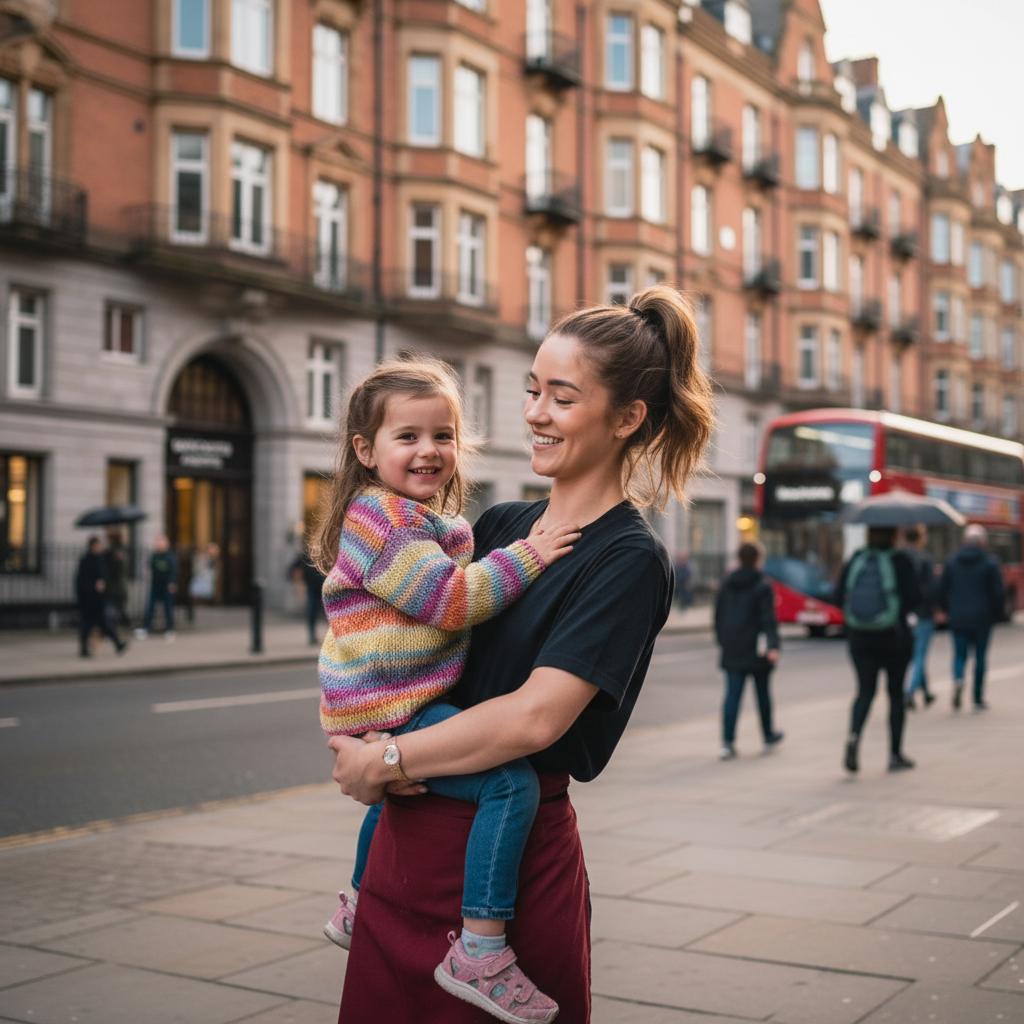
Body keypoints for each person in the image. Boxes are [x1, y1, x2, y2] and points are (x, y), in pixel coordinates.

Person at [327, 284, 714, 1023]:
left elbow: (533, 720)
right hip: (407, 850)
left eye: (562, 398)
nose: (535, 413)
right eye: (533, 391)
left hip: (505, 879)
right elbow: (399, 641)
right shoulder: (501, 523)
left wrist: (386, 761)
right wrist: (365, 732)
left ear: (628, 417)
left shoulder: (627, 560)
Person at [314, 358, 580, 1023]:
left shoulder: (417, 516)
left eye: (443, 435)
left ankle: (356, 901)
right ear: (365, 450)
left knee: (396, 794)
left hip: (383, 702)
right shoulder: (382, 519)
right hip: (390, 704)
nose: (428, 450)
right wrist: (532, 552)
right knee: (508, 783)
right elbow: (450, 600)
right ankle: (482, 948)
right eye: (407, 436)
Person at [835, 526, 921, 774]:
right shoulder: (901, 561)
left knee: (864, 692)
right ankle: (895, 754)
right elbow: (915, 598)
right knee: (895, 695)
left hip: (860, 639)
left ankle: (853, 739)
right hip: (894, 639)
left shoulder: (856, 559)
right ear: (894, 535)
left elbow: (838, 595)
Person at [714, 541, 783, 760]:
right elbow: (768, 619)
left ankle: (727, 742)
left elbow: (718, 616)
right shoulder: (762, 584)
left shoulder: (726, 583)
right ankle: (768, 735)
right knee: (762, 694)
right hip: (756, 649)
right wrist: (773, 645)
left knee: (732, 695)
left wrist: (723, 641)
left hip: (733, 647)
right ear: (757, 560)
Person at [938, 523, 1004, 711]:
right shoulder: (990, 563)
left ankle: (958, 679)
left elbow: (942, 589)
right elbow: (997, 593)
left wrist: (946, 609)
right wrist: (996, 614)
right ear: (983, 542)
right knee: (980, 657)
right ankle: (977, 697)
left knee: (959, 655)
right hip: (982, 617)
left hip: (958, 616)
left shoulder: (951, 562)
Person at [901, 525, 937, 710]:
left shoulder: (899, 558)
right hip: (923, 613)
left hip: (903, 614)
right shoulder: (925, 558)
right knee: (920, 655)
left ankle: (926, 692)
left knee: (915, 654)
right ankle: (909, 692)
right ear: (920, 538)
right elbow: (931, 588)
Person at [75, 535, 126, 657]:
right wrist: (95, 585)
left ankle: (117, 644)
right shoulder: (87, 560)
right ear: (93, 546)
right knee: (89, 624)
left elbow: (109, 571)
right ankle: (85, 649)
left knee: (104, 624)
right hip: (90, 598)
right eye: (98, 544)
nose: (101, 546)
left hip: (99, 598)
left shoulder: (101, 558)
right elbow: (81, 580)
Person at [136, 535, 178, 639]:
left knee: (168, 608)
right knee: (150, 607)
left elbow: (174, 570)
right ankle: (146, 628)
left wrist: (172, 583)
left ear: (166, 544)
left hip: (166, 586)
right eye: (157, 543)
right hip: (155, 585)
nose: (159, 545)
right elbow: (148, 566)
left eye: (161, 542)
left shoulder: (170, 556)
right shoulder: (154, 555)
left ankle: (170, 629)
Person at [290, 545, 327, 645]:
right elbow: (293, 569)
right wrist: (299, 583)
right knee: (312, 612)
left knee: (328, 613)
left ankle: (332, 637)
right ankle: (312, 636)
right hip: (312, 587)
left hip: (324, 588)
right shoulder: (305, 556)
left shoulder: (324, 553)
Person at [103, 531, 130, 629]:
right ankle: (119, 624)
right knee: (117, 608)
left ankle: (113, 627)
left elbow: (115, 570)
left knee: (112, 608)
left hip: (114, 587)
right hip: (117, 587)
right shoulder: (119, 552)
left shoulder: (113, 552)